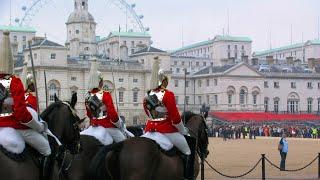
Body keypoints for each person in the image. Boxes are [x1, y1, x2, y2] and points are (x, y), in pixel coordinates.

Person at [0, 31, 52, 179]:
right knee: (47, 149)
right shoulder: (15, 81)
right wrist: (38, 126)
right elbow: (21, 115)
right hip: (14, 127)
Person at [142, 57, 193, 180]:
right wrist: (183, 131)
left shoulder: (147, 95)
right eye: (166, 80)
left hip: (149, 130)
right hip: (167, 131)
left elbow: (147, 113)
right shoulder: (168, 94)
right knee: (188, 151)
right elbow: (175, 118)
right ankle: (187, 177)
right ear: (163, 81)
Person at [81, 59, 130, 145]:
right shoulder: (105, 94)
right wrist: (118, 123)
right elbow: (112, 114)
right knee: (125, 144)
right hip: (107, 126)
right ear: (99, 81)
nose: (102, 82)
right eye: (102, 80)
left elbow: (89, 114)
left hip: (93, 126)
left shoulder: (87, 96)